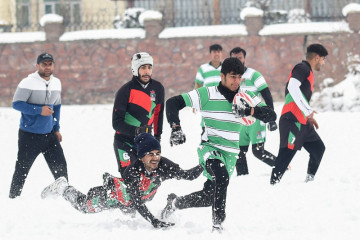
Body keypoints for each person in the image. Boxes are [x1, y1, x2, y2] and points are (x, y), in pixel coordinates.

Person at [163, 57, 276, 231]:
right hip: (210, 148)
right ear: (222, 76)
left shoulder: (246, 97)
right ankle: (218, 225)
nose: (236, 81)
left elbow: (271, 114)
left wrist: (249, 110)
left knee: (209, 197)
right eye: (232, 77)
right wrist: (175, 127)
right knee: (221, 177)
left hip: (230, 153)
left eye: (239, 77)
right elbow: (173, 102)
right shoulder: (207, 94)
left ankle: (175, 203)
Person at [41, 133, 203, 229]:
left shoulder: (163, 165)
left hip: (136, 200)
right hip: (113, 196)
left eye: (157, 153)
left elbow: (188, 175)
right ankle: (62, 187)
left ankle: (170, 204)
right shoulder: (132, 171)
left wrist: (205, 163)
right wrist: (153, 221)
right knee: (84, 206)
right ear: (141, 156)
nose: (155, 158)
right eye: (150, 154)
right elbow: (137, 201)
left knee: (135, 206)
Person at [9, 53, 68, 199]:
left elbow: (57, 107)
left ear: (53, 65)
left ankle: (64, 197)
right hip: (29, 135)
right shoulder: (27, 83)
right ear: (37, 66)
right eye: (44, 64)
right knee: (22, 170)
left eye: (50, 64)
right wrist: (39, 110)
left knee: (61, 168)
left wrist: (56, 128)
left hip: (49, 135)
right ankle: (13, 198)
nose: (47, 67)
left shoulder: (56, 83)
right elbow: (16, 104)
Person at [270, 43, 328, 184]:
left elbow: (298, 95)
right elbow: (292, 86)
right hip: (291, 120)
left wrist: (308, 115)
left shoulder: (308, 71)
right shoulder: (302, 68)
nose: (324, 62)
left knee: (318, 149)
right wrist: (307, 110)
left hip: (302, 122)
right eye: (323, 59)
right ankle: (273, 186)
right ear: (317, 57)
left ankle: (309, 183)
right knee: (285, 156)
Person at [112, 52, 164, 175]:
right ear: (135, 69)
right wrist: (136, 131)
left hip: (145, 142)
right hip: (123, 142)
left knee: (148, 180)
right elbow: (116, 123)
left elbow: (158, 114)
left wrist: (157, 137)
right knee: (130, 178)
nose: (147, 71)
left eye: (149, 67)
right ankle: (110, 187)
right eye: (143, 68)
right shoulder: (125, 91)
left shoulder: (158, 88)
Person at [230, 47, 278, 175]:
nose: (237, 61)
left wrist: (271, 118)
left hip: (256, 119)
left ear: (244, 58)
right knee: (239, 153)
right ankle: (243, 179)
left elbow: (267, 95)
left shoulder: (254, 75)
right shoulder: (229, 78)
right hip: (239, 121)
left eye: (239, 58)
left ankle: (282, 167)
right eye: (234, 58)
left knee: (258, 152)